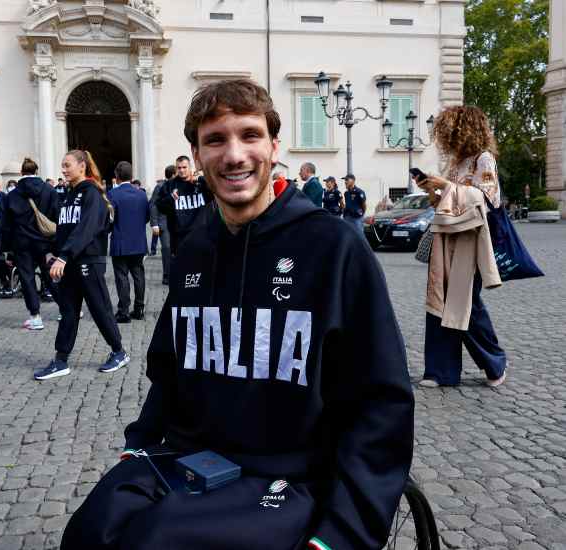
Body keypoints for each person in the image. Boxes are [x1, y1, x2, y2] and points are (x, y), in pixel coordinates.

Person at [61, 79, 413, 550]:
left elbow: (381, 403)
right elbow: (170, 370)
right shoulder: (197, 248)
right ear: (196, 154)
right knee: (88, 530)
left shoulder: (333, 247)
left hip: (292, 475)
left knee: (158, 541)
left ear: (273, 145)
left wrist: (342, 535)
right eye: (215, 140)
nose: (234, 154)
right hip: (192, 458)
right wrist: (137, 446)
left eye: (249, 135)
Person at [417, 105, 507, 389]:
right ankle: (440, 372)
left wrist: (446, 185)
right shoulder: (457, 163)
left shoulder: (484, 159)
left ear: (462, 130)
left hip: (471, 239)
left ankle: (495, 363)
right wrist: (434, 190)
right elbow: (450, 201)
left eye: (447, 131)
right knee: (439, 302)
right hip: (448, 238)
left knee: (468, 304)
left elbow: (489, 199)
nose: (444, 138)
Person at [35, 150, 130, 380]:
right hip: (69, 262)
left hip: (89, 260)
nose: (63, 169)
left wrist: (64, 256)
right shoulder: (68, 195)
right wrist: (53, 253)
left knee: (99, 308)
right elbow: (64, 230)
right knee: (68, 310)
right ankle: (61, 360)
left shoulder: (92, 194)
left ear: (82, 166)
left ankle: (119, 351)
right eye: (62, 165)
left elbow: (85, 229)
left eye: (67, 165)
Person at [1, 157, 59, 330]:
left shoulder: (12, 195)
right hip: (45, 241)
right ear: (36, 171)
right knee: (50, 276)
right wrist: (57, 245)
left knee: (27, 278)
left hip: (21, 243)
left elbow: (6, 226)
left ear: (21, 173)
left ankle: (35, 316)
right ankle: (65, 308)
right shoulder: (49, 191)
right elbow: (58, 218)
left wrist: (7, 250)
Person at [108, 161, 149, 323]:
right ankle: (139, 309)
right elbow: (146, 216)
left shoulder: (113, 194)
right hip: (138, 241)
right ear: (132, 176)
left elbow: (110, 219)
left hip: (120, 241)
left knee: (122, 277)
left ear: (117, 176)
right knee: (138, 275)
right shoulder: (141, 194)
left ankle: (124, 311)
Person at [154, 155, 213, 257]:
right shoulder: (169, 185)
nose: (181, 170)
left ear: (190, 167)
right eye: (179, 168)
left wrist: (201, 180)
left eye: (184, 167)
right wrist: (171, 198)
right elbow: (159, 206)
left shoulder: (200, 182)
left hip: (202, 236)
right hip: (179, 239)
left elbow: (216, 191)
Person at [149, 165, 175, 280]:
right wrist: (154, 224)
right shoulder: (160, 187)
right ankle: (167, 275)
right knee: (166, 249)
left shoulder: (179, 186)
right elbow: (153, 205)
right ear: (173, 174)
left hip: (177, 223)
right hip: (163, 224)